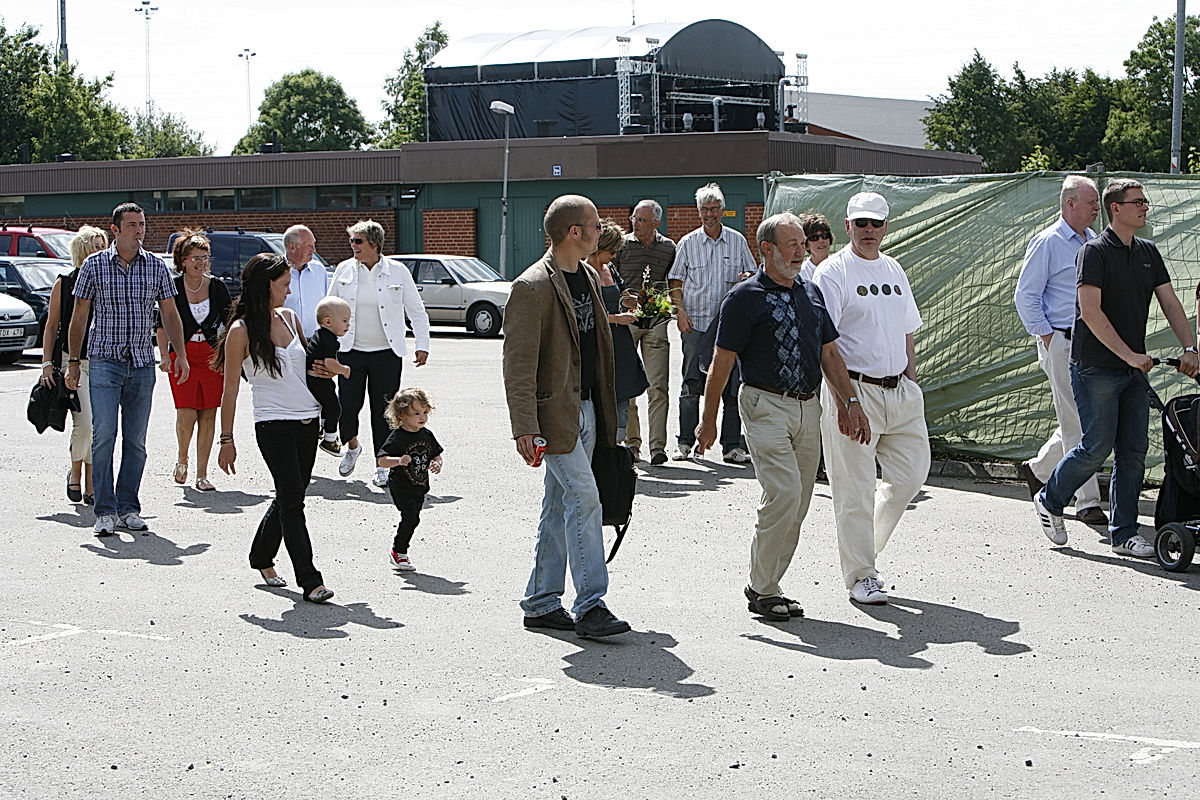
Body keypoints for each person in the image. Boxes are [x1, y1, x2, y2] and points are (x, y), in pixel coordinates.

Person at [696, 212, 869, 620]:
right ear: (767, 250)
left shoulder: (810, 293)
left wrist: (852, 401)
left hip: (809, 405)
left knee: (800, 501)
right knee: (784, 492)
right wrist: (708, 419)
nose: (800, 251)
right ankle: (762, 586)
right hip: (764, 405)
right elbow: (722, 361)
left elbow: (829, 353)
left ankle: (767, 585)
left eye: (802, 243)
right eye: (791, 244)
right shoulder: (744, 297)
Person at [1033, 179, 1199, 558]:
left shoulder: (1148, 252)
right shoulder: (1093, 253)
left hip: (1132, 370)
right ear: (1116, 209)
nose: (1144, 207)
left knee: (1133, 450)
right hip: (1095, 367)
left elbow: (1171, 303)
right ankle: (1050, 498)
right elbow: (1089, 312)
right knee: (1095, 446)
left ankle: (1123, 533)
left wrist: (1190, 348)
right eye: (1136, 202)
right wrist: (1129, 356)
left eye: (1144, 201)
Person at [503, 194, 631, 639]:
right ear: (574, 232)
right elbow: (517, 364)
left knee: (558, 505)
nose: (601, 230)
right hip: (554, 416)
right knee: (585, 497)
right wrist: (525, 427)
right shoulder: (531, 286)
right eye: (595, 224)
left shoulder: (590, 277)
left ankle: (540, 602)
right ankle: (591, 604)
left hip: (589, 408)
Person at [813, 192, 929, 605]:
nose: (868, 231)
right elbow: (825, 344)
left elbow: (906, 332)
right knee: (854, 489)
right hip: (854, 391)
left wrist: (912, 385)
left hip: (899, 392)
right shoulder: (832, 273)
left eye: (875, 223)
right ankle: (861, 575)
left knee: (912, 476)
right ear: (847, 226)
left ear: (885, 226)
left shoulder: (894, 269)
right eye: (860, 223)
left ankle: (864, 551)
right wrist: (844, 401)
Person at [64, 203, 190, 537]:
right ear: (115, 229)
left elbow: (170, 313)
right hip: (104, 360)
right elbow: (79, 315)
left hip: (141, 362)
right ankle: (104, 510)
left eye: (142, 224)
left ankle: (128, 507)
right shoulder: (94, 266)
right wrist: (73, 362)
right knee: (104, 436)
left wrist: (179, 353)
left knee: (136, 441)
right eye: (132, 225)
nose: (139, 231)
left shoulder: (155, 267)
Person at [214, 253, 334, 603]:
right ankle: (310, 581)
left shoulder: (291, 317)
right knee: (294, 502)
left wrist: (328, 373)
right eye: (284, 284)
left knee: (290, 494)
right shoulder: (241, 331)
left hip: (307, 422)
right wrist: (226, 439)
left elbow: (308, 367)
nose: (289, 289)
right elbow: (230, 390)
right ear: (267, 284)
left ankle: (261, 556)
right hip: (273, 424)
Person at [1013, 176, 1108, 525]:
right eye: (1091, 201)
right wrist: (1049, 338)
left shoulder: (1094, 241)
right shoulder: (1048, 242)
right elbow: (1026, 296)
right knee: (1077, 421)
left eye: (1097, 202)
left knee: (1084, 417)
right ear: (1070, 203)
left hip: (1094, 344)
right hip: (1064, 342)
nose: (1097, 208)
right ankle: (1085, 501)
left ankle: (1039, 469)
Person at [327, 220, 431, 488]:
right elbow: (328, 310)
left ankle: (382, 464)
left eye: (358, 241)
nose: (353, 246)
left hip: (387, 353)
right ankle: (352, 446)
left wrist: (423, 344)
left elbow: (416, 310)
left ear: (375, 243)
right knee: (347, 407)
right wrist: (325, 347)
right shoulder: (344, 270)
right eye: (351, 241)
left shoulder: (397, 271)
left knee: (383, 412)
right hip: (351, 352)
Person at [668, 182, 757, 464]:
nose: (710, 214)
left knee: (732, 387)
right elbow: (675, 281)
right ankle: (685, 442)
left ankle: (731, 446)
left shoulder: (737, 241)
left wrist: (746, 279)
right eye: (704, 209)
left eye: (714, 208)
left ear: (723, 210)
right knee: (691, 384)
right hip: (696, 325)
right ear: (698, 212)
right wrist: (679, 312)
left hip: (729, 329)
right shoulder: (688, 243)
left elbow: (753, 275)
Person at [155, 230, 231, 492]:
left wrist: (227, 356)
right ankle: (182, 459)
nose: (201, 263)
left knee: (209, 413)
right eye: (195, 258)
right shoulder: (172, 287)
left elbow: (230, 324)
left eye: (205, 257)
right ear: (183, 260)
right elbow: (162, 324)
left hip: (211, 357)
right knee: (186, 413)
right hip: (182, 355)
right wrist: (165, 355)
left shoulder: (217, 286)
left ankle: (202, 474)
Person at [40, 225, 106, 506]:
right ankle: (77, 472)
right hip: (74, 361)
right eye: (95, 246)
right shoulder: (65, 283)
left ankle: (88, 479)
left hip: (104, 360)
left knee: (98, 426)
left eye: (104, 245)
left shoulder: (108, 281)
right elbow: (52, 325)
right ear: (82, 250)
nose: (101, 251)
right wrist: (45, 363)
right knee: (86, 422)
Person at [610, 199, 675, 464]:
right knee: (630, 384)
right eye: (634, 219)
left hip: (656, 321)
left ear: (655, 223)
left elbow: (674, 280)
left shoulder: (669, 248)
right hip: (629, 321)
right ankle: (632, 444)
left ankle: (658, 447)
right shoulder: (623, 246)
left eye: (641, 220)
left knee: (658, 385)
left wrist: (673, 307)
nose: (635, 224)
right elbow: (614, 280)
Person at [587, 219, 648, 443]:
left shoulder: (609, 268)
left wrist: (638, 301)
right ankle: (601, 448)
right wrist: (617, 319)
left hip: (619, 343)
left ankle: (617, 447)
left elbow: (622, 293)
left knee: (623, 396)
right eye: (611, 251)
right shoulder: (583, 271)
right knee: (600, 400)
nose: (614, 256)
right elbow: (585, 315)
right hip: (598, 343)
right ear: (598, 248)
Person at [377, 387, 444, 573]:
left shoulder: (426, 434)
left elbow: (437, 454)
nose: (422, 417)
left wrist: (437, 463)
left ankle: (399, 550)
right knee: (410, 517)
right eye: (416, 413)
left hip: (419, 485)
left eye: (424, 412)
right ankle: (399, 552)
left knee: (413, 518)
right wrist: (398, 461)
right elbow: (382, 460)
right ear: (402, 416)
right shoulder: (397, 437)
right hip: (401, 486)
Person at [307, 295, 353, 456]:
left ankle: (322, 426)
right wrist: (343, 369)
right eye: (345, 321)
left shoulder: (318, 334)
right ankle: (330, 440)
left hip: (312, 379)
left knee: (326, 403)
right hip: (318, 380)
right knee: (334, 409)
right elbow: (329, 363)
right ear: (328, 322)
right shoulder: (330, 340)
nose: (348, 325)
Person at [281, 224, 328, 339]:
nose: (314, 250)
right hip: (287, 344)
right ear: (292, 247)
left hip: (316, 342)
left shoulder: (319, 270)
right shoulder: (276, 272)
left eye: (314, 244)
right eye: (309, 245)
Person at [799, 212, 834, 283]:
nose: (821, 240)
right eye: (814, 237)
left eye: (824, 236)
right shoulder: (801, 274)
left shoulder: (839, 266)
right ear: (806, 245)